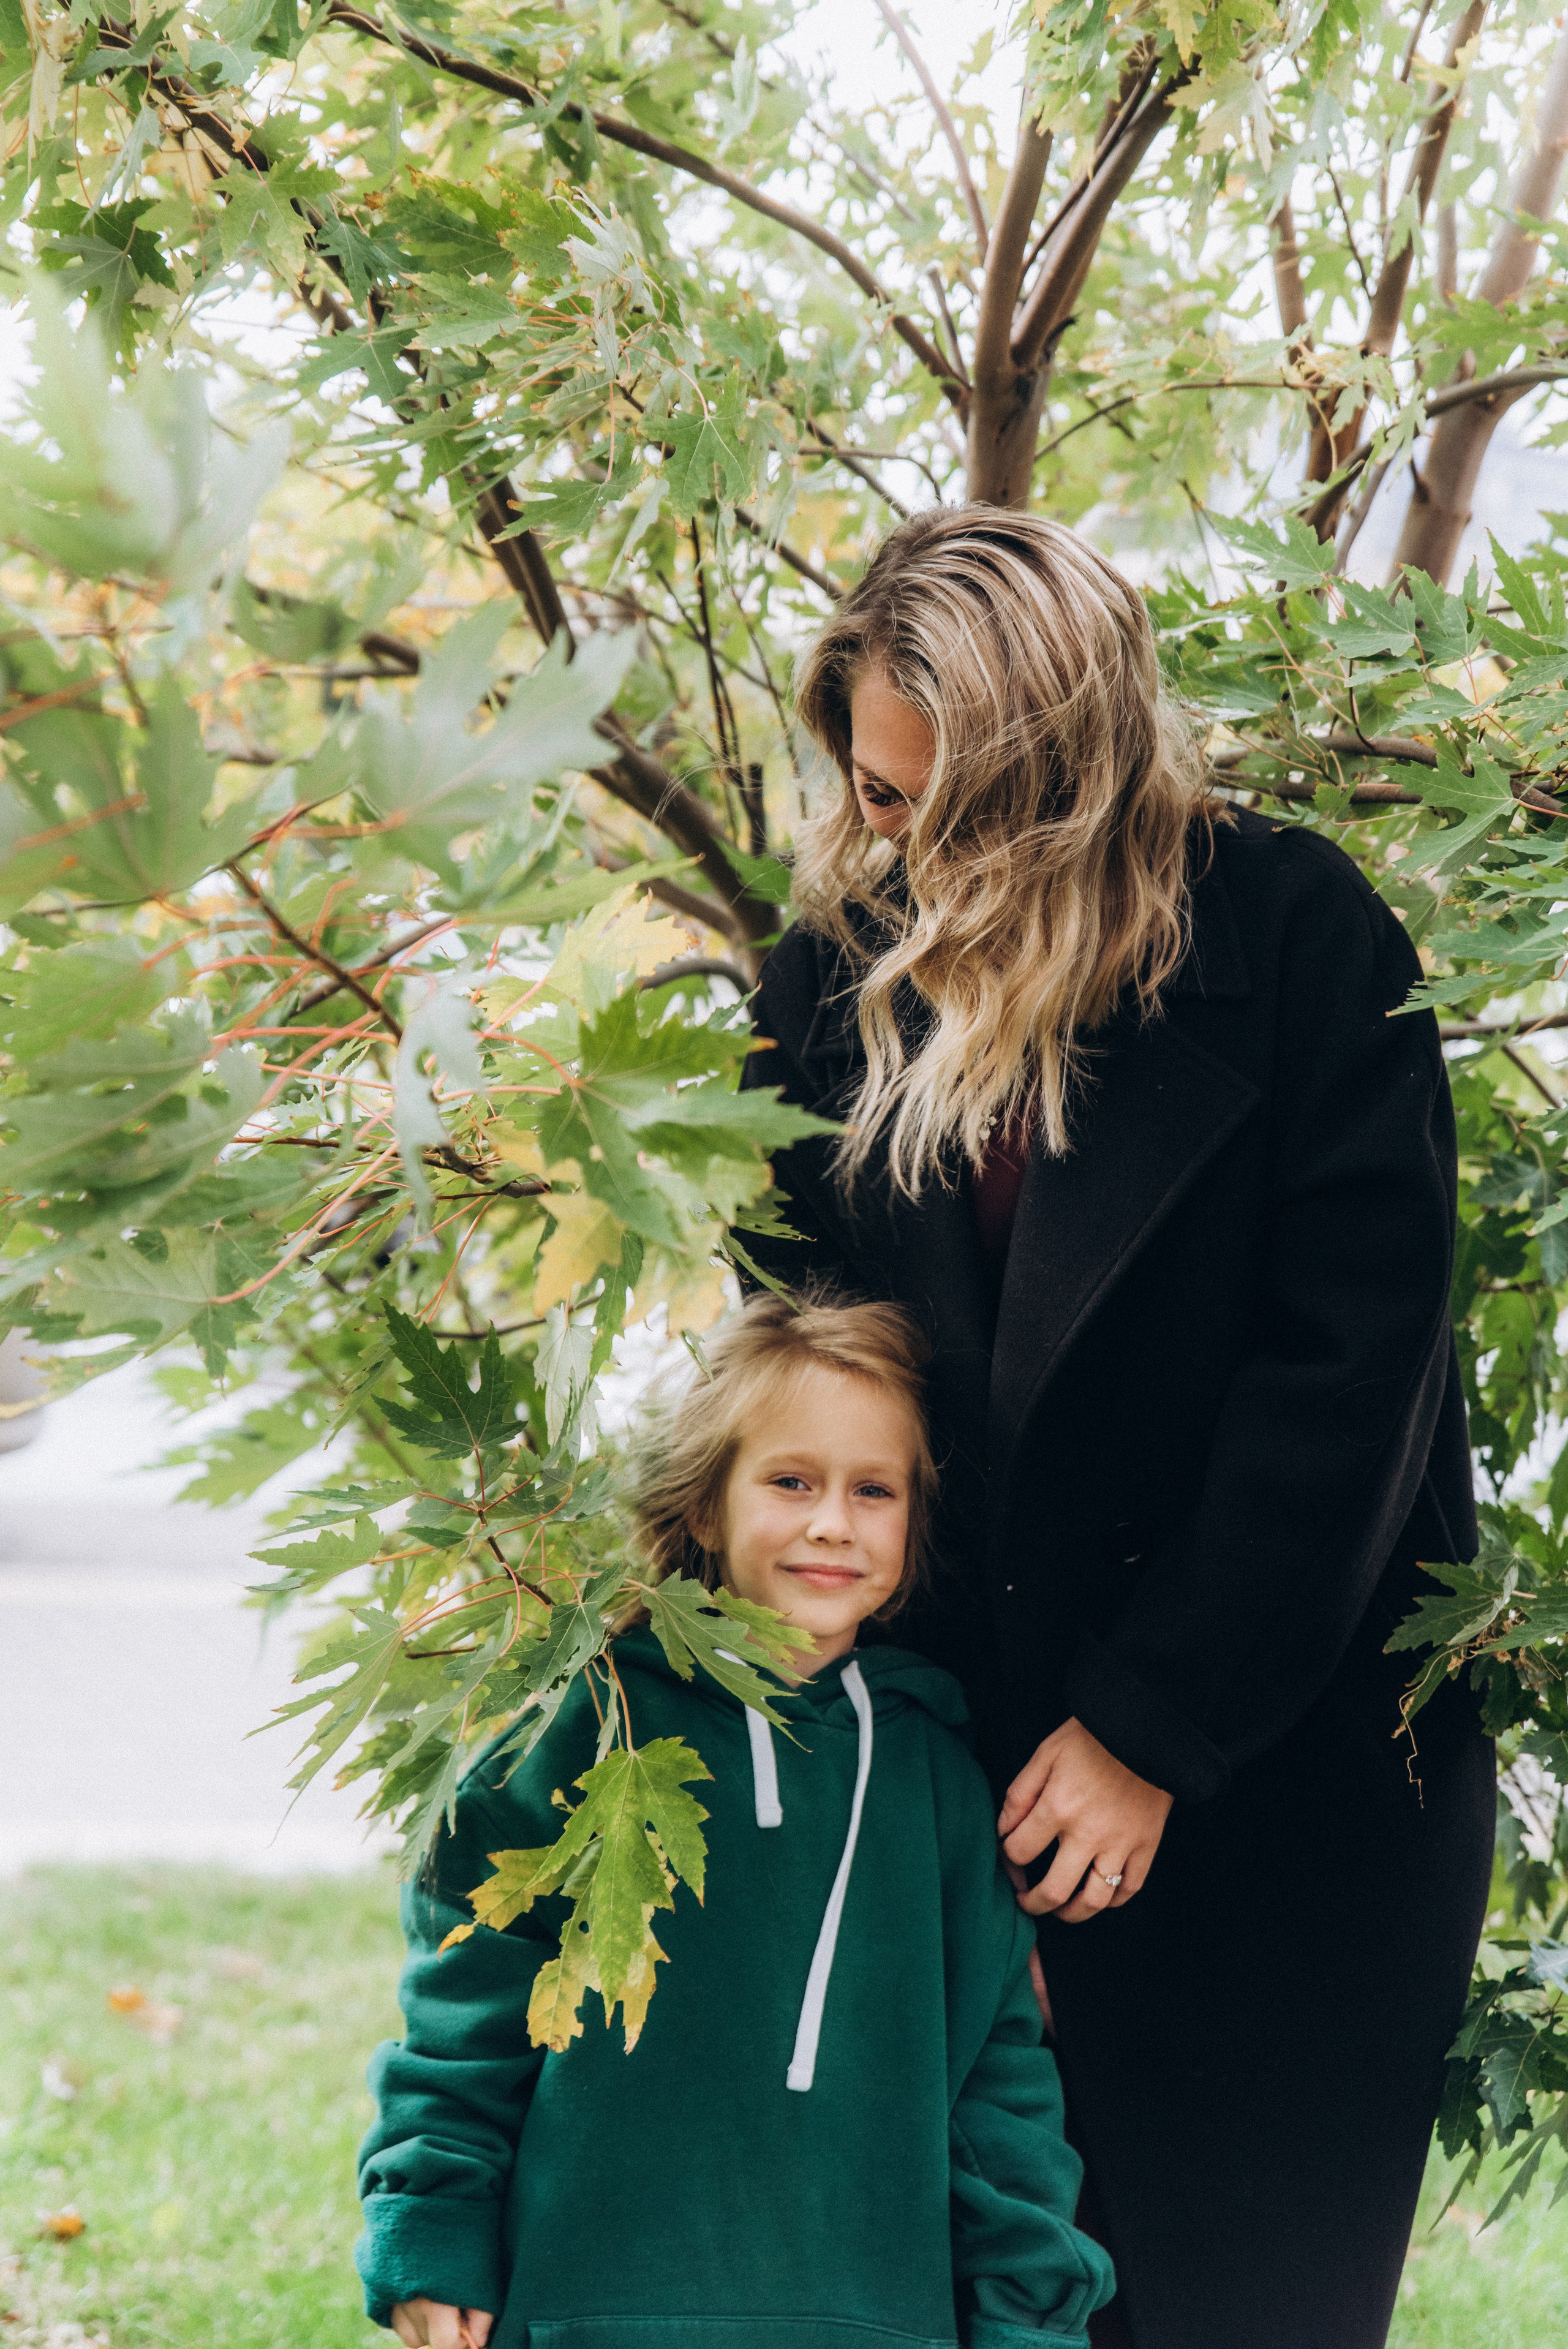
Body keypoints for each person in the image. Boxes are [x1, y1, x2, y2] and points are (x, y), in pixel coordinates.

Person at [736, 507, 1496, 2349]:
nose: (900, 848)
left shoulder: (1302, 937)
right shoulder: (829, 984)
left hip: (1282, 1780)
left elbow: (1354, 1385)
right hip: (946, 1776)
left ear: (1065, 776)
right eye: (877, 792)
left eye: (944, 804)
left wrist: (1153, 1725)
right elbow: (800, 1374)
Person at [355, 1292, 1117, 2349]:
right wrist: (431, 2226)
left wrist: (1030, 2317)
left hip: (875, 2323)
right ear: (704, 1507)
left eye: (873, 1490)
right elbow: (465, 2007)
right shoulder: (590, 1724)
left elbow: (999, 2090)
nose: (831, 1523)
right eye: (791, 1481)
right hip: (589, 2312)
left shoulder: (939, 1779)